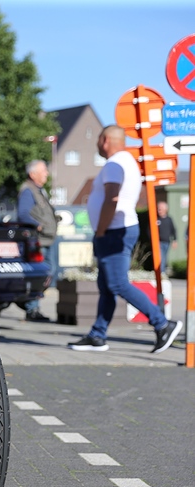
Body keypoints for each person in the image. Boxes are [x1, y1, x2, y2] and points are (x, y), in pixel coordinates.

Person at [68, 125, 181, 353]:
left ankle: (162, 324)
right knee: (107, 286)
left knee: (117, 283)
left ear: (105, 140)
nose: (97, 144)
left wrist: (101, 230)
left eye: (98, 140)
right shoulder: (126, 161)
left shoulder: (115, 164)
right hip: (116, 230)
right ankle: (98, 335)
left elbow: (112, 199)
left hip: (114, 231)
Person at [16, 159, 57, 322]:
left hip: (46, 239)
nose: (47, 173)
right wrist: (38, 226)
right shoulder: (28, 191)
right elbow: (23, 214)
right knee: (41, 274)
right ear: (33, 174)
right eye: (43, 170)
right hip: (38, 241)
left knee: (47, 273)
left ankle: (32, 305)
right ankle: (31, 307)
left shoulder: (38, 190)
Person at [156, 201, 177, 275]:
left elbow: (173, 230)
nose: (159, 210)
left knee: (164, 257)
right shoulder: (156, 219)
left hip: (167, 242)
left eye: (160, 209)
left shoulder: (169, 219)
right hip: (158, 242)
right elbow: (149, 230)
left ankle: (162, 272)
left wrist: (174, 240)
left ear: (165, 209)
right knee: (160, 257)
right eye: (158, 209)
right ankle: (161, 272)